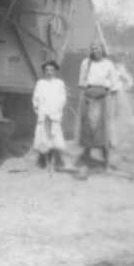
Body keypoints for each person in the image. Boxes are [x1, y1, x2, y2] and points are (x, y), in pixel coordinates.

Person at [77, 42, 119, 171]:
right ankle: (86, 159)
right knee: (88, 127)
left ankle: (106, 161)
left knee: (103, 128)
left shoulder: (108, 64)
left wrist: (114, 103)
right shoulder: (86, 63)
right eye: (93, 49)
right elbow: (82, 82)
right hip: (89, 96)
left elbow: (114, 86)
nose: (96, 51)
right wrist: (84, 97)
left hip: (104, 97)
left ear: (103, 50)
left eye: (98, 49)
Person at [32, 60, 67, 170]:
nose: (49, 72)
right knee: (43, 136)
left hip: (55, 112)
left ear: (55, 71)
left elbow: (62, 99)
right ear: (44, 71)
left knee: (55, 136)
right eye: (47, 70)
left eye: (51, 70)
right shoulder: (40, 83)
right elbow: (36, 98)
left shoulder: (59, 83)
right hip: (43, 112)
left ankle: (57, 160)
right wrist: (38, 108)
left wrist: (56, 110)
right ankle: (42, 159)